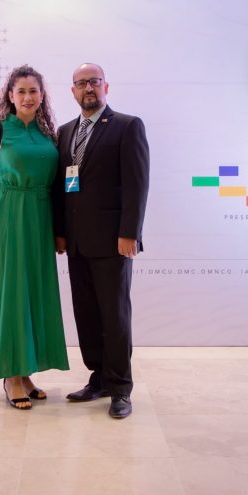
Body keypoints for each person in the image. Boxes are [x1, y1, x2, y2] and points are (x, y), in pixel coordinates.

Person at [0, 64, 69, 409]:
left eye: (33, 91)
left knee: (32, 293)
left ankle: (25, 372)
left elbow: (60, 185)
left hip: (39, 219)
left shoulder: (48, 135)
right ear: (10, 96)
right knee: (11, 293)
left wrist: (59, 230)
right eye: (21, 91)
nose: (27, 97)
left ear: (42, 96)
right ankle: (10, 376)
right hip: (8, 216)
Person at [53, 63, 149, 419]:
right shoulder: (65, 132)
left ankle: (120, 388)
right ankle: (99, 378)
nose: (88, 88)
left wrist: (130, 233)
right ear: (73, 91)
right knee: (87, 315)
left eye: (94, 82)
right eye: (81, 83)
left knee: (115, 316)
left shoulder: (127, 125)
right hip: (76, 243)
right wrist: (60, 231)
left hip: (113, 241)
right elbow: (62, 188)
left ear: (106, 86)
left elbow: (137, 184)